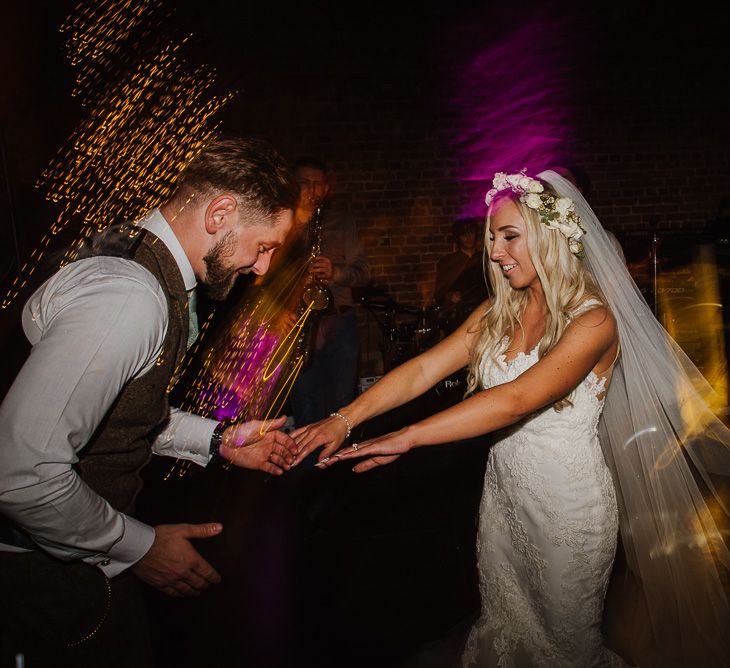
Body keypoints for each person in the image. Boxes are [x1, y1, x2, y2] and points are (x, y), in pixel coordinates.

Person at [293, 170, 730, 666]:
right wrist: (343, 420)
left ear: (549, 236)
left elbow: (516, 399)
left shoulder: (594, 320)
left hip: (568, 509)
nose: (495, 252)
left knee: (565, 647)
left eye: (509, 237)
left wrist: (407, 438)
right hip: (505, 495)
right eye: (491, 239)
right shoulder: (499, 308)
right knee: (507, 622)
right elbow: (422, 369)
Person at [0, 136, 301, 666]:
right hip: (43, 581)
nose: (262, 268)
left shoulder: (142, 270)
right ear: (221, 213)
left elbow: (113, 410)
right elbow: (21, 473)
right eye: (265, 245)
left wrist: (218, 439)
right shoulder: (127, 296)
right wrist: (138, 546)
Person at [287, 157, 371, 428]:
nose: (311, 189)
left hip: (340, 323)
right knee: (307, 410)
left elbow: (364, 274)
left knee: (343, 411)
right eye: (304, 183)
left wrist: (336, 273)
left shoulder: (342, 221)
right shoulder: (281, 223)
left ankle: (338, 469)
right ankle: (310, 469)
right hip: (298, 329)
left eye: (318, 184)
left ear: (326, 189)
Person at [434, 217, 489, 332]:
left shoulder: (485, 258)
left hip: (485, 313)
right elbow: (439, 293)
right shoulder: (448, 262)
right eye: (464, 235)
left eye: (471, 233)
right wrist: (450, 296)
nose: (468, 238)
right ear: (458, 238)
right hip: (460, 317)